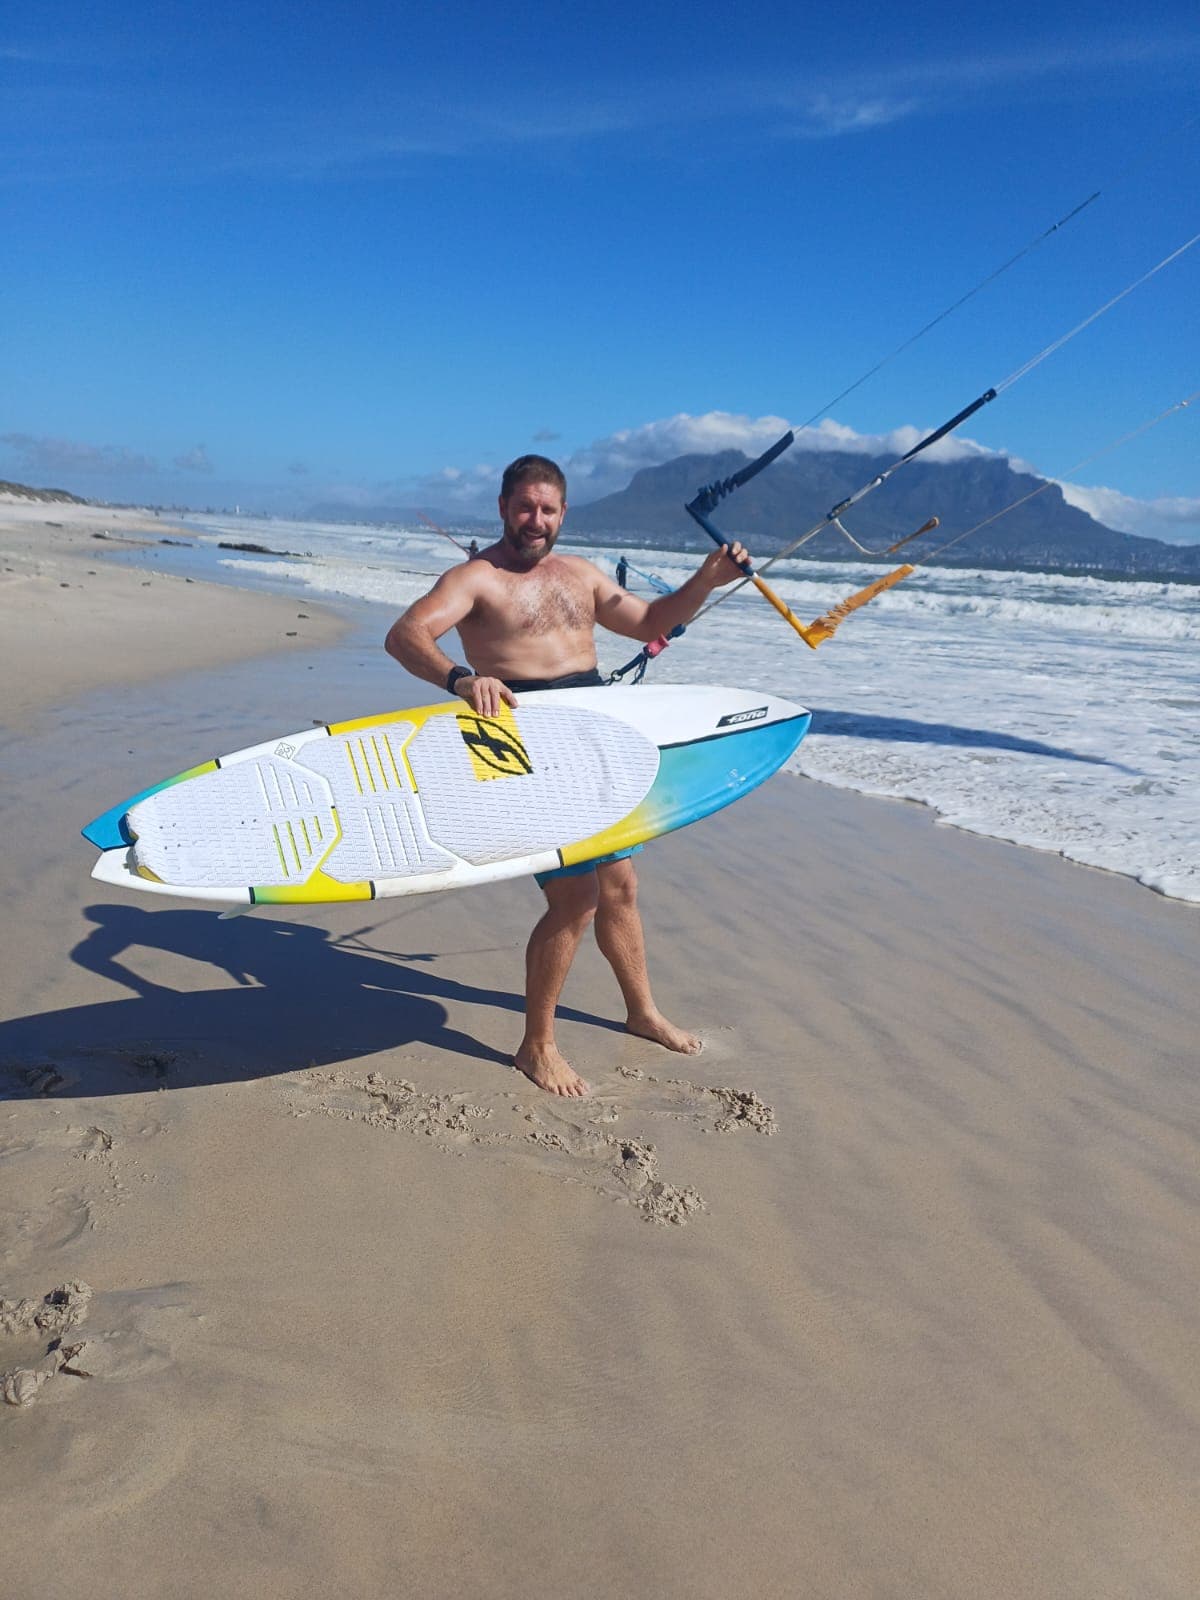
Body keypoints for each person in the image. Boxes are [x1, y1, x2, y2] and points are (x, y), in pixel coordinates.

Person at [385, 454, 749, 1098]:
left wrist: (706, 580)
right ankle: (537, 1045)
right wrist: (462, 679)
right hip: (519, 745)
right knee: (574, 898)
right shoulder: (477, 579)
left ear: (563, 514)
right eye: (524, 507)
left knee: (621, 887)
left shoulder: (579, 574)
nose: (536, 520)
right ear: (503, 508)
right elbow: (406, 634)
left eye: (547, 509)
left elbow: (650, 622)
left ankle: (641, 1013)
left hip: (589, 741)